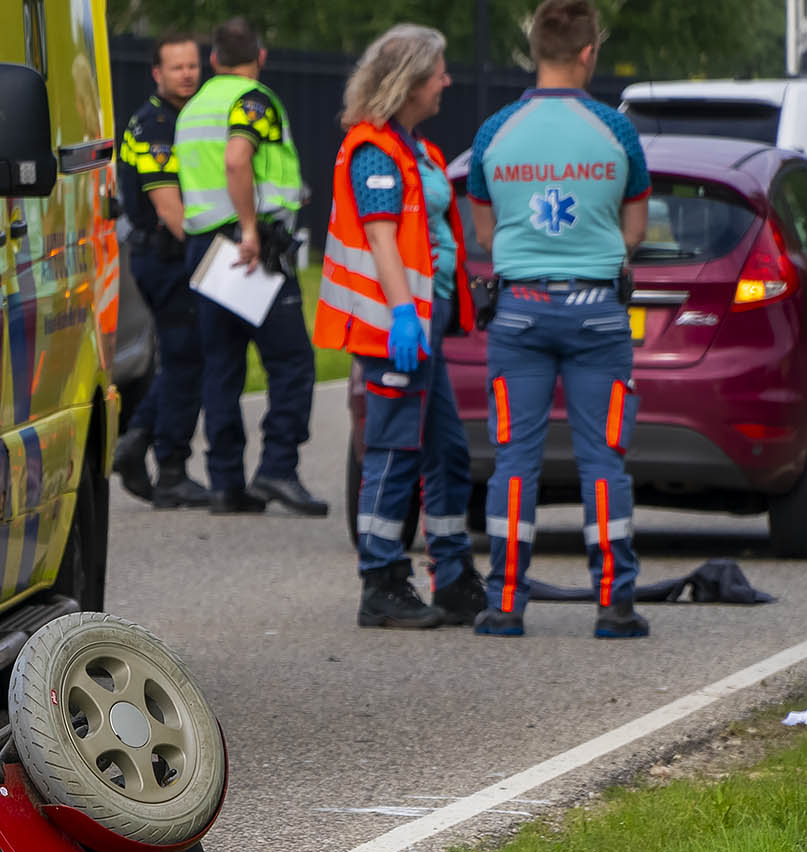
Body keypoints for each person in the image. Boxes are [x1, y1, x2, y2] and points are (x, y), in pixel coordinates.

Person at [467, 0, 650, 638]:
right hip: (597, 312)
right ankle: (614, 605)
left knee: (515, 462)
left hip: (519, 311)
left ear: (536, 50)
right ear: (588, 52)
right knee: (604, 462)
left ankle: (504, 604)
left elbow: (485, 233)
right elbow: (634, 229)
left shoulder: (494, 132)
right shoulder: (617, 131)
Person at [314, 24, 486, 629]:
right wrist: (405, 313)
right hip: (395, 327)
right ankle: (381, 581)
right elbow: (382, 238)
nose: (446, 82)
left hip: (421, 324)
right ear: (410, 82)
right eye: (438, 73)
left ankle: (453, 575)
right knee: (392, 452)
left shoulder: (417, 150)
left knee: (447, 451)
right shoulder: (373, 151)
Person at [172, 17, 325, 517]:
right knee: (292, 361)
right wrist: (251, 229)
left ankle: (225, 483)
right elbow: (238, 160)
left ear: (214, 60)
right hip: (249, 247)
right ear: (261, 57)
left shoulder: (194, 107)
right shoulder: (254, 99)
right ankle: (278, 467)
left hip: (206, 247)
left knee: (222, 365)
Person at [114, 32, 210, 509]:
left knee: (182, 358)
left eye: (192, 66)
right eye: (177, 67)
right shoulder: (155, 124)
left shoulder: (183, 117)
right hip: (168, 257)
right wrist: (209, 257)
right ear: (157, 73)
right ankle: (169, 468)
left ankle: (137, 443)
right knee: (185, 360)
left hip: (170, 257)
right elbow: (171, 210)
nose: (187, 75)